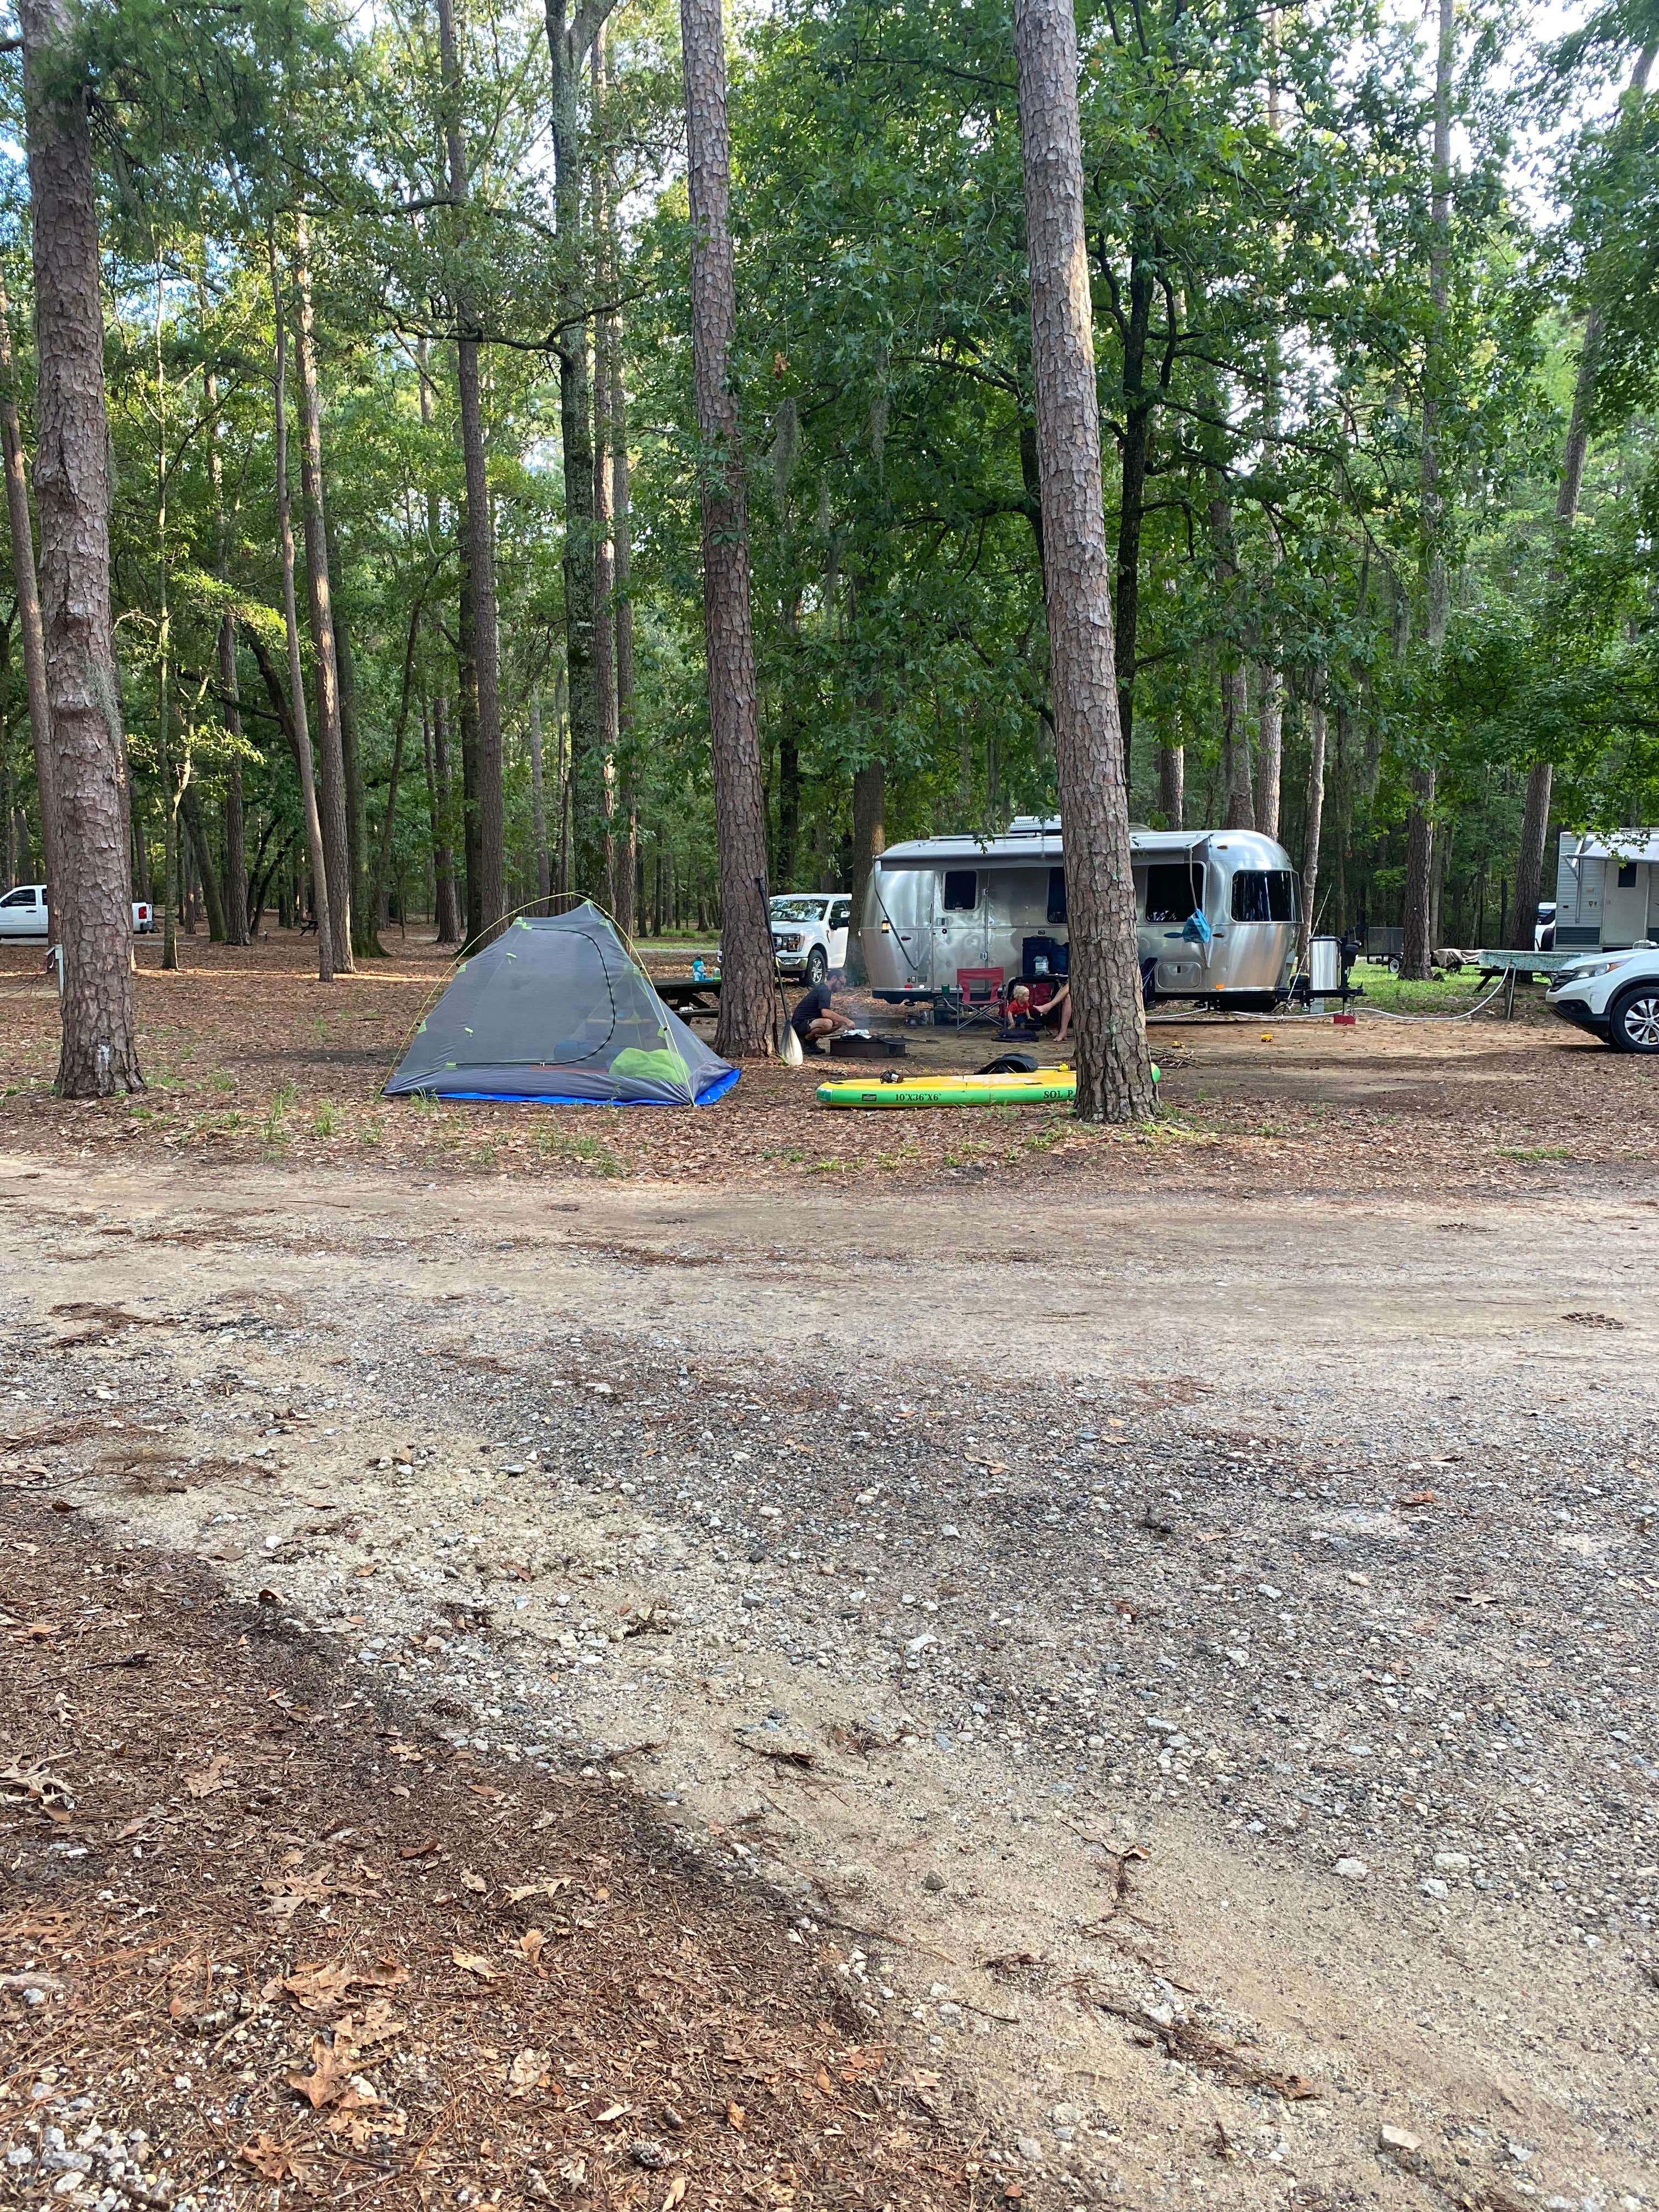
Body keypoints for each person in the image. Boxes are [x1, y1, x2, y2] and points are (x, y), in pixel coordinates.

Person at [791, 977, 855, 1051]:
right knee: (827, 1024)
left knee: (838, 1022)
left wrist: (842, 1020)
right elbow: (825, 1013)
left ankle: (811, 1042)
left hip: (809, 1023)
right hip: (799, 1025)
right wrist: (847, 1020)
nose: (842, 987)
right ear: (834, 978)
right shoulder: (824, 990)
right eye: (841, 984)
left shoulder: (824, 989)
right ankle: (804, 1041)